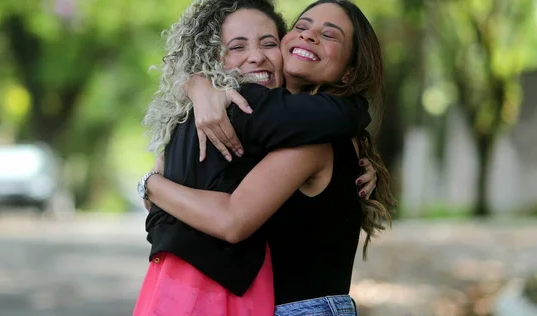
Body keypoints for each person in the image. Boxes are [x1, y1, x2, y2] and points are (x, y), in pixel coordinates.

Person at [134, 0, 387, 315]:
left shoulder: (315, 136)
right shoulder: (265, 131)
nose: (309, 36)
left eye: (330, 35)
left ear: (350, 73)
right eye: (302, 26)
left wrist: (151, 185)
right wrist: (197, 86)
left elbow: (231, 220)